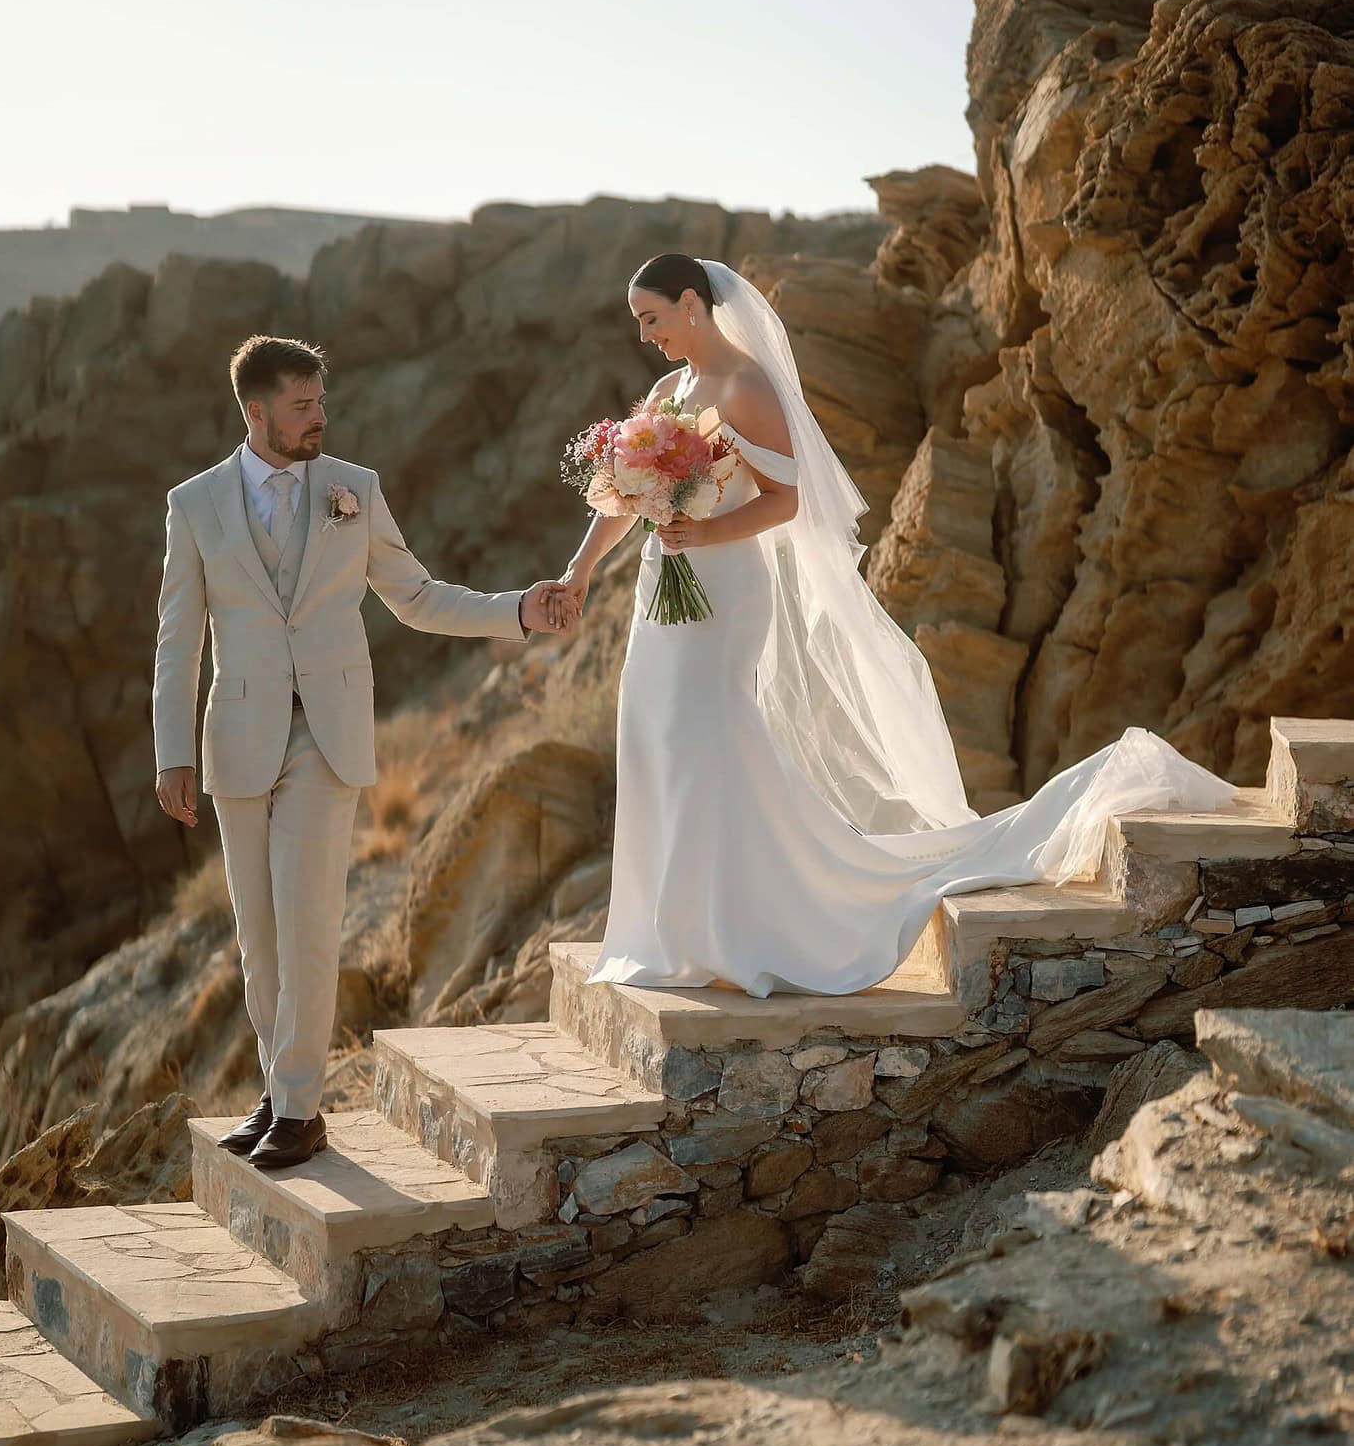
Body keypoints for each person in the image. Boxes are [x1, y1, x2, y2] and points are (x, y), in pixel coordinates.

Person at [554, 257, 1240, 998]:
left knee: (710, 733)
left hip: (724, 589)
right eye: (639, 323)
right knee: (658, 734)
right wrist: (579, 572)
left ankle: (740, 925)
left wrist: (701, 536)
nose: (646, 335)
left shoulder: (749, 388)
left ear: (692, 303)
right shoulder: (668, 391)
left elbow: (786, 501)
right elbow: (620, 497)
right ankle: (676, 926)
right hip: (665, 592)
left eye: (652, 317)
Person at [153, 334, 574, 1168]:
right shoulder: (194, 504)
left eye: (321, 402)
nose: (319, 417)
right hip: (237, 734)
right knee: (258, 934)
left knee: (309, 920)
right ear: (257, 411)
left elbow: (415, 597)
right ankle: (277, 1095)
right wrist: (172, 753)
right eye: (302, 405)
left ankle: (302, 1112)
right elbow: (177, 638)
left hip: (328, 734)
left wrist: (518, 610)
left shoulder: (354, 489)